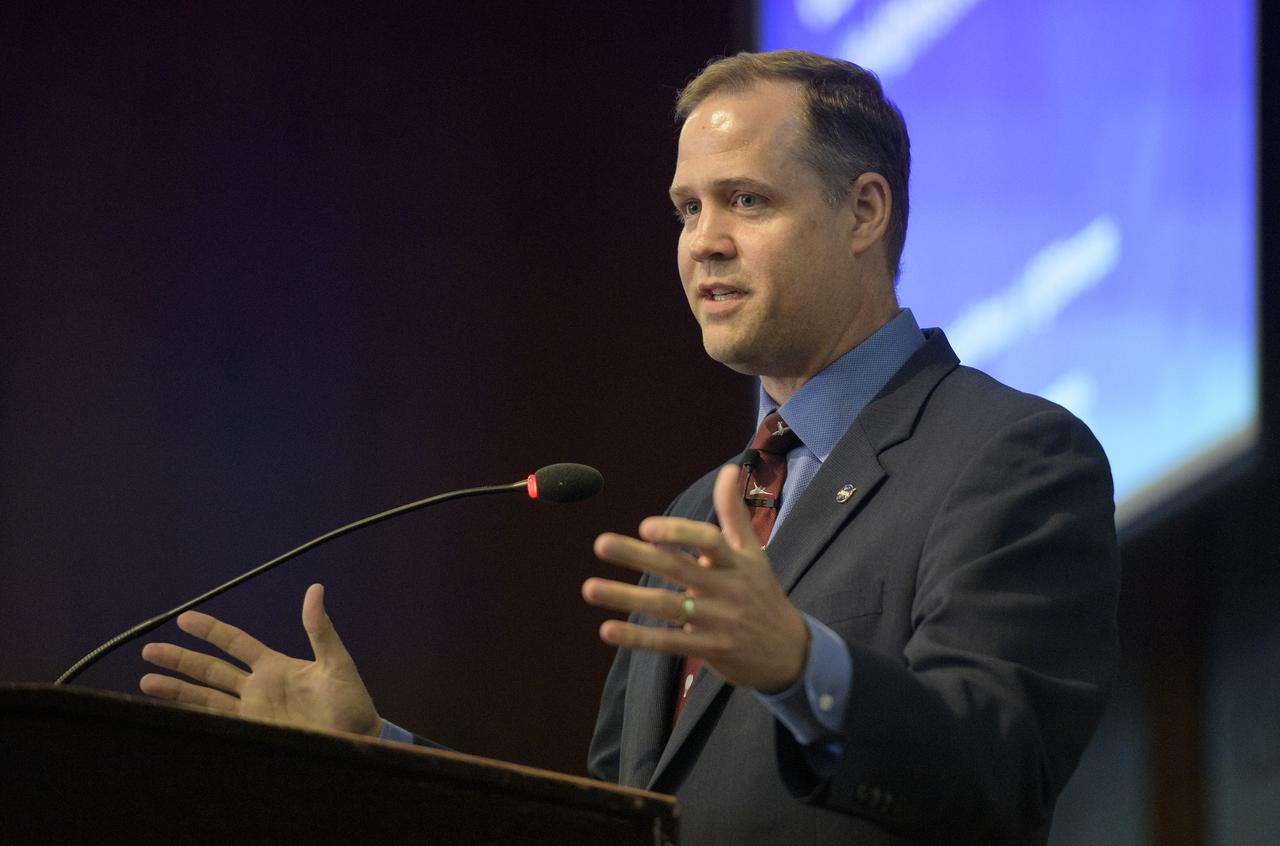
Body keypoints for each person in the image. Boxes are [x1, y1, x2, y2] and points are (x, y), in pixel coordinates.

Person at [140, 50, 1120, 845]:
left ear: (863, 211)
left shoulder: (1008, 455)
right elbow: (614, 824)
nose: (701, 242)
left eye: (745, 201)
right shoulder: (703, 510)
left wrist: (799, 664)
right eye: (687, 209)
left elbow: (1000, 775)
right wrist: (375, 754)